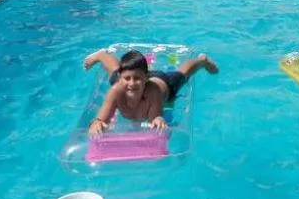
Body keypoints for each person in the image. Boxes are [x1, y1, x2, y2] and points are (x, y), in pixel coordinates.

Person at [83, 48, 218, 136]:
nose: (132, 83)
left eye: (137, 79)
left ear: (145, 78)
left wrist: (158, 121)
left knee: (183, 74)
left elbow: (155, 117)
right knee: (114, 70)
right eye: (127, 78)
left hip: (163, 84)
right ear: (121, 78)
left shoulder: (152, 91)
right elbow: (100, 118)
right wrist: (97, 123)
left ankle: (202, 61)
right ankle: (102, 55)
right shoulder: (116, 90)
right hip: (130, 76)